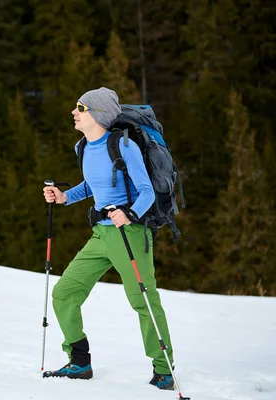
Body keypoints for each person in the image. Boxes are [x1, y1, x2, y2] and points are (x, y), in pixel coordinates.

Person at [41, 87, 176, 390]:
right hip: (100, 234)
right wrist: (64, 197)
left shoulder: (124, 146)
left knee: (143, 301)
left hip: (129, 234)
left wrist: (129, 214)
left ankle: (164, 370)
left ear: (97, 113)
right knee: (64, 293)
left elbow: (146, 191)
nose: (74, 112)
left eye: (81, 107)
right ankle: (79, 361)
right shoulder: (85, 147)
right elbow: (92, 186)